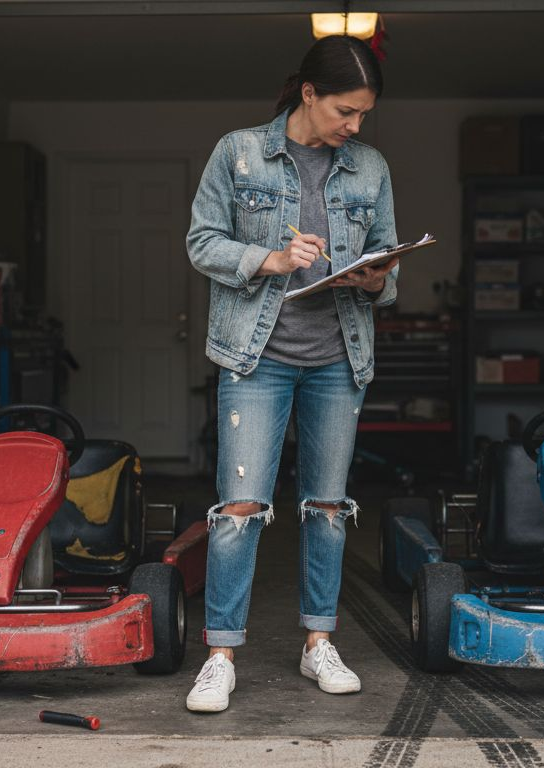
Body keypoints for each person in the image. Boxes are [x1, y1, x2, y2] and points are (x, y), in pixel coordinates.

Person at [184, 34, 397, 713]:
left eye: (364, 115)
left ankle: (318, 645)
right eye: (345, 111)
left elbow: (389, 268)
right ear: (309, 93)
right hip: (257, 359)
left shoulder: (370, 167)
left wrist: (374, 279)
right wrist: (268, 259)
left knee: (328, 511)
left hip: (339, 359)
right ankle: (220, 657)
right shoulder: (239, 151)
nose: (354, 127)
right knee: (239, 512)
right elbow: (201, 241)